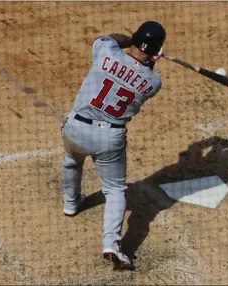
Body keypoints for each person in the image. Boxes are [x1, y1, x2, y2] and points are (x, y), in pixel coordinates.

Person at [60, 21, 166, 270]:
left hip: (75, 127)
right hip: (109, 137)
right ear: (155, 51)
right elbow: (142, 73)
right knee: (115, 190)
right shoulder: (154, 82)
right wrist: (150, 60)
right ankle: (111, 245)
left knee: (72, 161)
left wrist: (131, 41)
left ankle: (71, 203)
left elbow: (108, 38)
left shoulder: (107, 51)